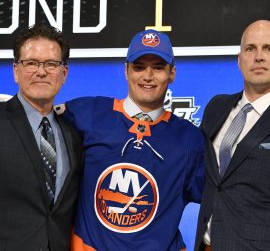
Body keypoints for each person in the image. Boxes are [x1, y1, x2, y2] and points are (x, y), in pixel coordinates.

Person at [60, 29, 205, 250]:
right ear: (126, 70)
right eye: (139, 67)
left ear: (172, 73)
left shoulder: (190, 140)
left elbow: (222, 199)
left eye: (158, 67)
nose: (148, 76)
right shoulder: (85, 113)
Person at [0, 24, 83, 251]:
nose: (41, 71)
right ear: (16, 70)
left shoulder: (74, 136)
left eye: (51, 64)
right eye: (31, 63)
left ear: (64, 73)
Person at [194, 20, 270, 251]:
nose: (259, 57)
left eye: (268, 48)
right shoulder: (216, 107)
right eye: (250, 48)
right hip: (206, 244)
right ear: (239, 60)